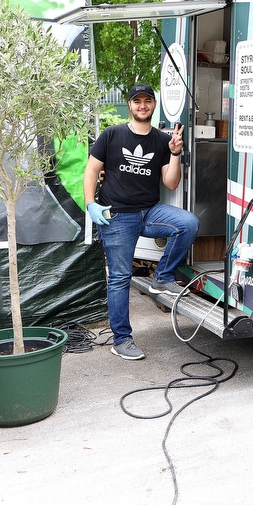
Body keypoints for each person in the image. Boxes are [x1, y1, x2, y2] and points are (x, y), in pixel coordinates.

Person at [83, 83, 200, 360]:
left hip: (149, 211)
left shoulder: (161, 139)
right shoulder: (111, 135)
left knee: (188, 223)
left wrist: (175, 152)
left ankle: (162, 276)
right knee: (120, 278)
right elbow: (91, 171)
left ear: (153, 104)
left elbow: (170, 182)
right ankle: (121, 339)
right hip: (118, 216)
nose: (142, 105)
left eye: (148, 101)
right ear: (130, 104)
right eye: (137, 101)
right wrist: (91, 204)